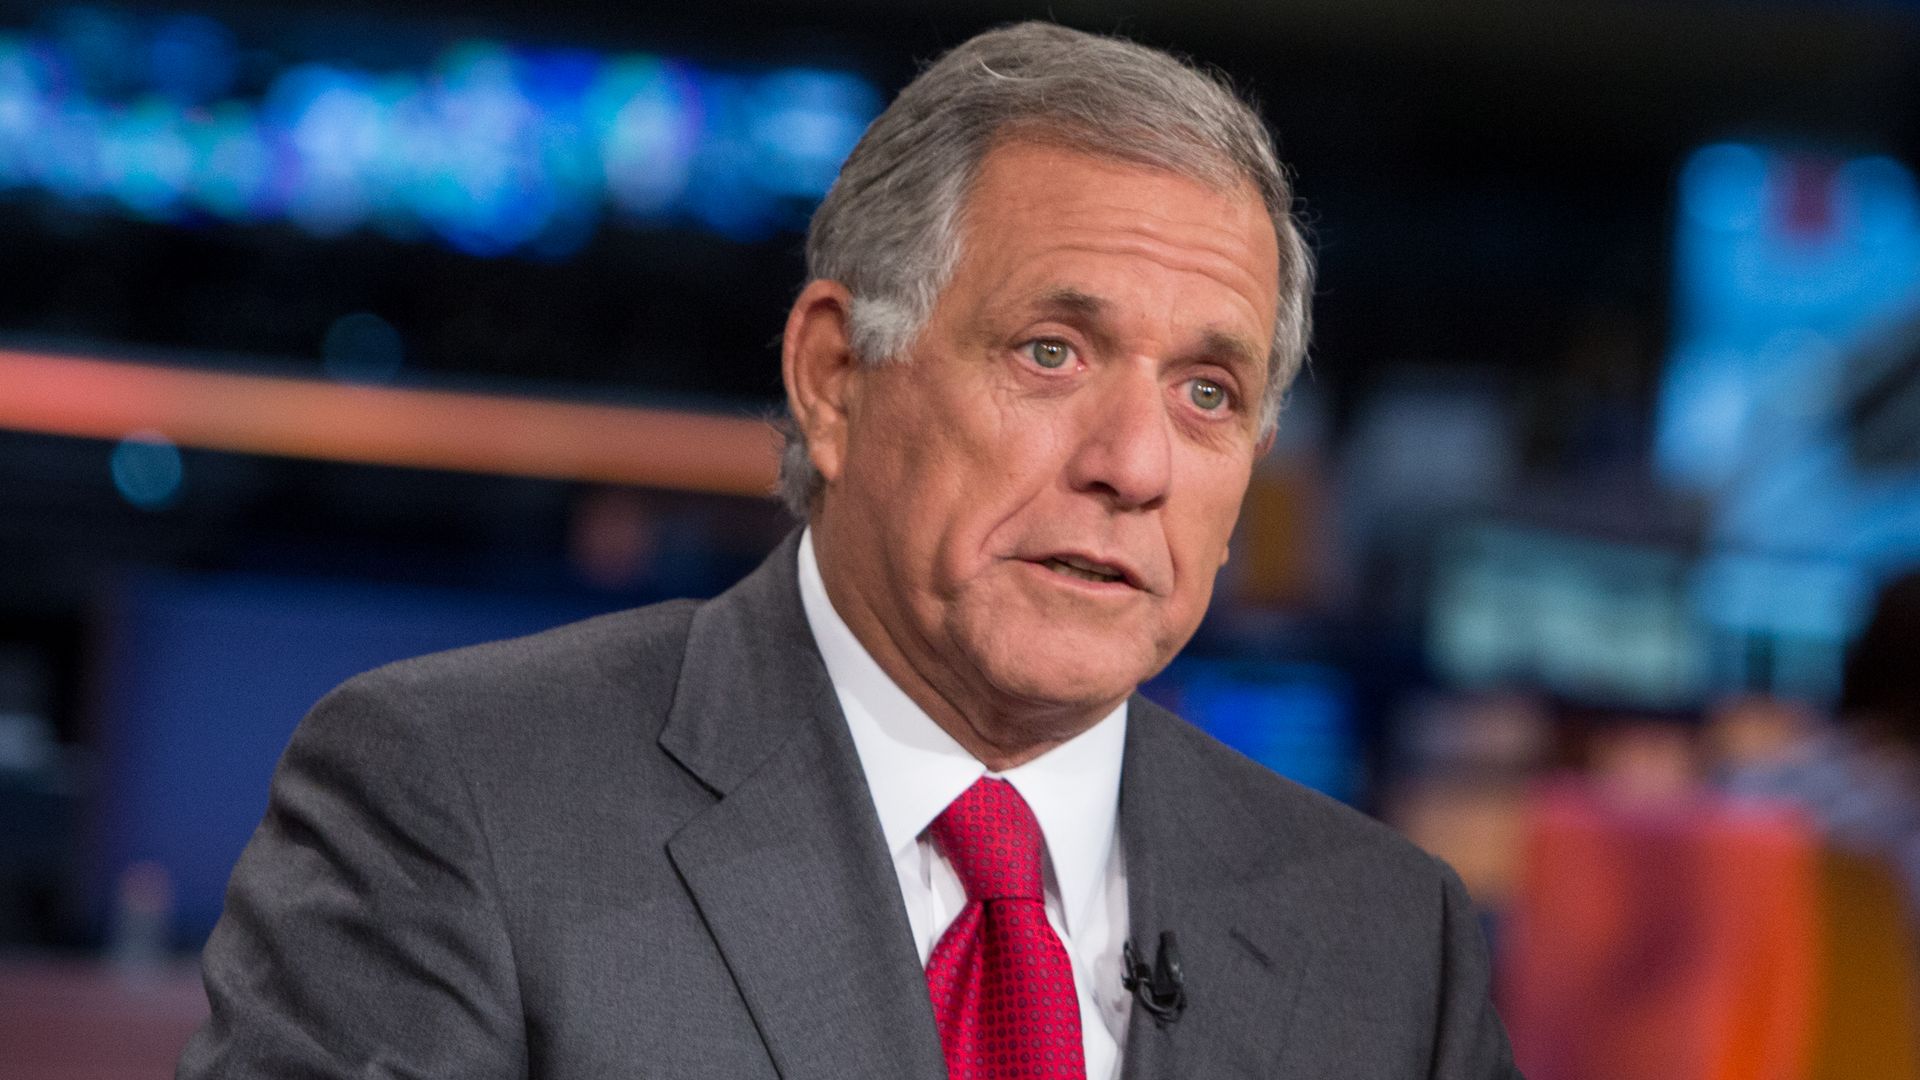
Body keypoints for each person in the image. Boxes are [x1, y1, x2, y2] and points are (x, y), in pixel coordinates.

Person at [179, 22, 1519, 1080]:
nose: (1136, 462)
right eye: (1051, 353)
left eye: (1208, 393)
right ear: (834, 377)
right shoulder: (460, 800)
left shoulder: (1391, 943)